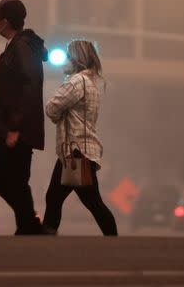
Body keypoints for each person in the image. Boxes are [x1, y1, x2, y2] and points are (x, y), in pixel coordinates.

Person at [0, 0, 48, 235]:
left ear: (5, 22)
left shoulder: (22, 47)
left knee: (0, 177)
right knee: (15, 179)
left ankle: (29, 223)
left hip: (17, 127)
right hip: (15, 125)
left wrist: (15, 126)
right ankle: (27, 225)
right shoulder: (18, 45)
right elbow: (12, 79)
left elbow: (28, 85)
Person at [42, 40, 118, 236]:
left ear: (78, 59)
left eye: (68, 55)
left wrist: (58, 114)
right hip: (82, 150)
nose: (65, 60)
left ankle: (46, 240)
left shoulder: (76, 82)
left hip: (76, 152)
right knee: (62, 198)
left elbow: (51, 107)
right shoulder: (90, 83)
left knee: (88, 202)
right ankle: (46, 238)